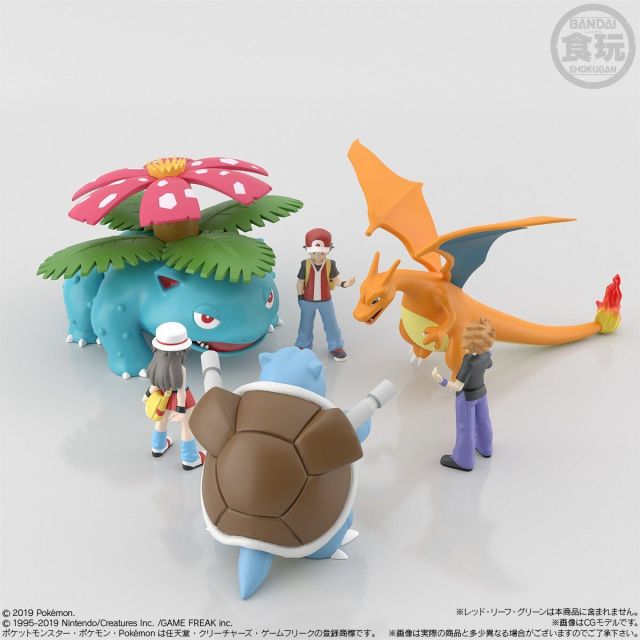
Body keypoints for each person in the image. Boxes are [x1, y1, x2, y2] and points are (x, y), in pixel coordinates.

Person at [432, 318, 495, 471]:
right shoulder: (486, 356)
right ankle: (485, 447)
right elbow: (490, 364)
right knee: (484, 420)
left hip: (466, 397)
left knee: (465, 428)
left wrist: (440, 380)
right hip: (482, 393)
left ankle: (463, 460)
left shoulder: (468, 361)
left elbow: (457, 386)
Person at [143, 322, 205, 470]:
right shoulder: (180, 369)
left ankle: (158, 447)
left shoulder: (156, 363)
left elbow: (155, 384)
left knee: (162, 420)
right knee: (187, 426)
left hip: (163, 397)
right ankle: (190, 458)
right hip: (181, 400)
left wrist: (147, 395)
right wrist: (180, 410)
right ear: (182, 350)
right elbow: (181, 391)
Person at [295, 228, 355, 361]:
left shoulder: (330, 264)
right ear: (308, 250)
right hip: (307, 300)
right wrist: (300, 298)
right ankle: (303, 345)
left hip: (326, 300)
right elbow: (300, 282)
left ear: (327, 251)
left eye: (322, 253)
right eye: (314, 253)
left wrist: (345, 284)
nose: (318, 256)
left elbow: (336, 280)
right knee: (305, 324)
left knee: (331, 323)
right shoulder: (305, 264)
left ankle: (336, 346)